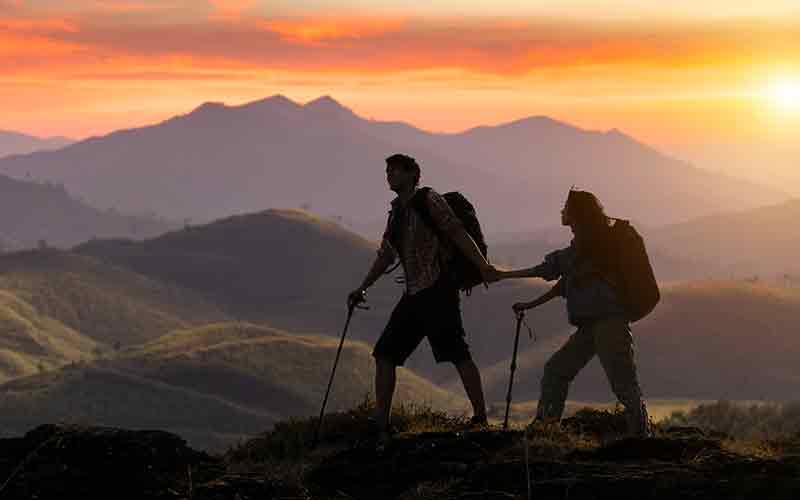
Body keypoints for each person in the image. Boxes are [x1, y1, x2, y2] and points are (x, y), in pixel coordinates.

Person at [348, 153, 498, 435]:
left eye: (395, 170)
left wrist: (482, 266)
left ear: (412, 174)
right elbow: (386, 255)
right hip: (414, 294)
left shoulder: (429, 200)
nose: (389, 175)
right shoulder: (396, 212)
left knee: (457, 352)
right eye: (388, 171)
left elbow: (457, 233)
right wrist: (363, 287)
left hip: (438, 290)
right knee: (385, 354)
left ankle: (480, 418)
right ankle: (381, 420)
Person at [498, 189, 650, 436]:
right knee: (557, 371)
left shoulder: (586, 249)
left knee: (622, 384)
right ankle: (546, 429)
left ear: (576, 213)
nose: (562, 211)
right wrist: (528, 304)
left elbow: (547, 269)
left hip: (608, 324)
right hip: (594, 325)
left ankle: (642, 437)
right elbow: (563, 284)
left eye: (566, 207)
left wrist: (503, 275)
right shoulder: (590, 246)